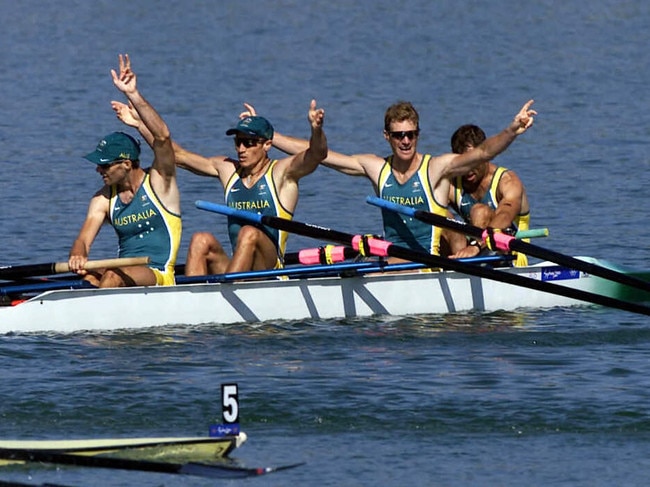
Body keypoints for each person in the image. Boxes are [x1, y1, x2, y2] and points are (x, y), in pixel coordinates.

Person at [253, 100, 536, 261]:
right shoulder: (376, 168)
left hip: (428, 264)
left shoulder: (436, 169)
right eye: (399, 135)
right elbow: (321, 156)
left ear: (417, 135)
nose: (405, 141)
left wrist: (511, 130)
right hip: (396, 259)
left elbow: (483, 152)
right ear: (386, 137)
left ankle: (479, 257)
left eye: (411, 134)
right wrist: (270, 136)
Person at [112, 99, 327, 276]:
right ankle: (194, 301)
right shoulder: (227, 170)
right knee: (200, 239)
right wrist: (140, 125)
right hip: (237, 265)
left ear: (267, 145)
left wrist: (316, 131)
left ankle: (227, 290)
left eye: (249, 143)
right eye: (238, 142)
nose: (241, 149)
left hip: (269, 267)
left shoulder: (282, 172)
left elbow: (316, 155)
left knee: (249, 232)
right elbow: (178, 156)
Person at [68, 54, 181, 288]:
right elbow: (84, 240)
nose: (99, 169)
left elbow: (162, 137)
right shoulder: (103, 198)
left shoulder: (160, 182)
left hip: (159, 274)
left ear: (127, 164)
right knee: (88, 275)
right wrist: (78, 254)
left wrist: (133, 95)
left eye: (105, 164)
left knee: (111, 274)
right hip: (123, 275)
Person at [446, 124, 530, 266]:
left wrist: (476, 246)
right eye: (464, 163)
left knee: (480, 212)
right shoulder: (451, 184)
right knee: (442, 217)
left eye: (473, 162)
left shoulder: (507, 181)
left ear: (485, 156)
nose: (468, 170)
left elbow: (505, 216)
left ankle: (469, 267)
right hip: (472, 253)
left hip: (509, 258)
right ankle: (454, 269)